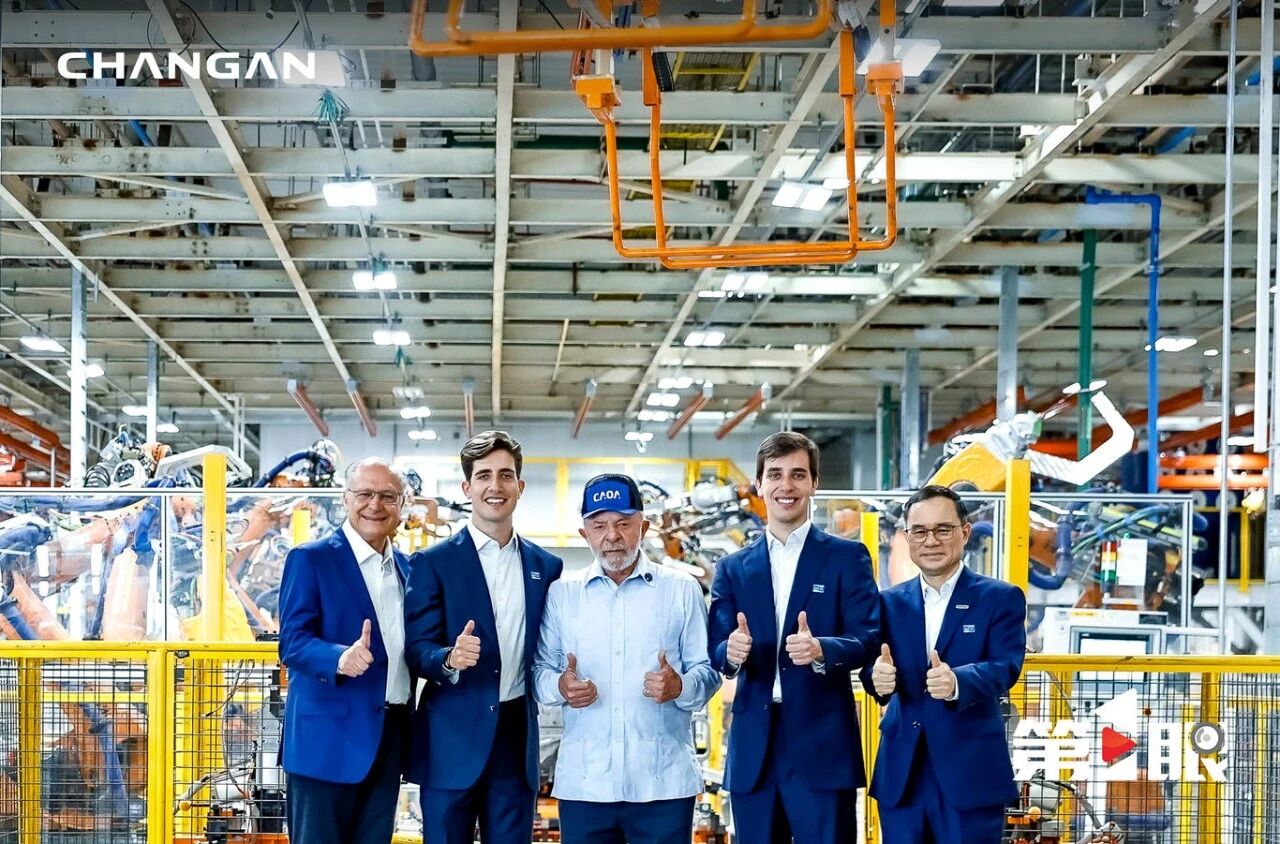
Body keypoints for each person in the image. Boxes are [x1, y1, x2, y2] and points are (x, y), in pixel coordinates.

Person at [707, 432, 879, 844]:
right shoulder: (732, 568)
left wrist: (822, 649)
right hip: (755, 750)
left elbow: (868, 637)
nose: (786, 485)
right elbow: (716, 647)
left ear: (814, 483)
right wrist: (731, 652)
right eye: (775, 475)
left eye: (798, 475)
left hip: (823, 743)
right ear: (759, 483)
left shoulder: (847, 558)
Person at [534, 473, 720, 844]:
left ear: (643, 527)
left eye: (623, 523)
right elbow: (539, 673)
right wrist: (560, 686)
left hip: (663, 785)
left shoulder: (681, 590)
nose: (612, 536)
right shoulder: (561, 596)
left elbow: (709, 670)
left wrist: (680, 686)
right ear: (585, 534)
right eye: (599, 526)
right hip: (586, 786)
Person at [404, 431, 564, 844]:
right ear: (467, 487)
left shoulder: (546, 567)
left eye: (506, 475)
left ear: (520, 486)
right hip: (450, 741)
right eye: (484, 476)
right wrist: (448, 658)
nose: (496, 486)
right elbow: (416, 648)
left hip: (515, 742)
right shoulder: (433, 563)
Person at [861, 484, 1026, 844]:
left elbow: (1005, 666)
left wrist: (958, 682)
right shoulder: (887, 603)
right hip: (902, 773)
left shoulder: (1000, 598)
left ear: (965, 532)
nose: (931, 541)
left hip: (970, 771)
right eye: (919, 531)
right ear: (907, 537)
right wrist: (877, 678)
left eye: (943, 529)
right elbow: (872, 667)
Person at [278, 457, 413, 844]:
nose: (375, 505)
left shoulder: (408, 568)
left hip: (387, 739)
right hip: (326, 742)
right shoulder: (311, 559)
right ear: (345, 498)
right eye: (365, 493)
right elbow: (292, 642)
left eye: (388, 496)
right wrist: (338, 658)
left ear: (402, 504)